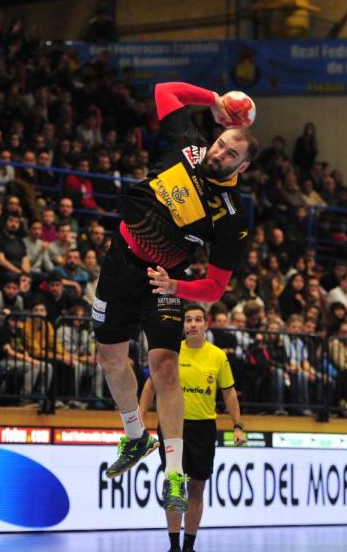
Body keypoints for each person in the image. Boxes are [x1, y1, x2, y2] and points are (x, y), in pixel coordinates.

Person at [93, 81, 256, 512]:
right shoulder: (190, 147)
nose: (220, 155)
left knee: (163, 365)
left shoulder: (234, 215)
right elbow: (166, 90)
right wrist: (214, 100)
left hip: (163, 280)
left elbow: (217, 287)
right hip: (119, 260)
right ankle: (135, 437)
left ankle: (175, 475)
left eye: (231, 155)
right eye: (220, 146)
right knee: (109, 358)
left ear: (244, 165)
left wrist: (175, 287)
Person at [139, 305, 246, 552]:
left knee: (197, 488)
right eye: (188, 320)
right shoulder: (171, 351)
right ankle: (174, 545)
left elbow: (229, 392)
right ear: (183, 325)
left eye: (198, 320)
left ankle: (189, 545)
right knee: (174, 483)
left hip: (204, 429)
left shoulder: (218, 356)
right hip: (172, 426)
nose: (193, 324)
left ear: (206, 325)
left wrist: (237, 425)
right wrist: (139, 416)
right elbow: (150, 384)